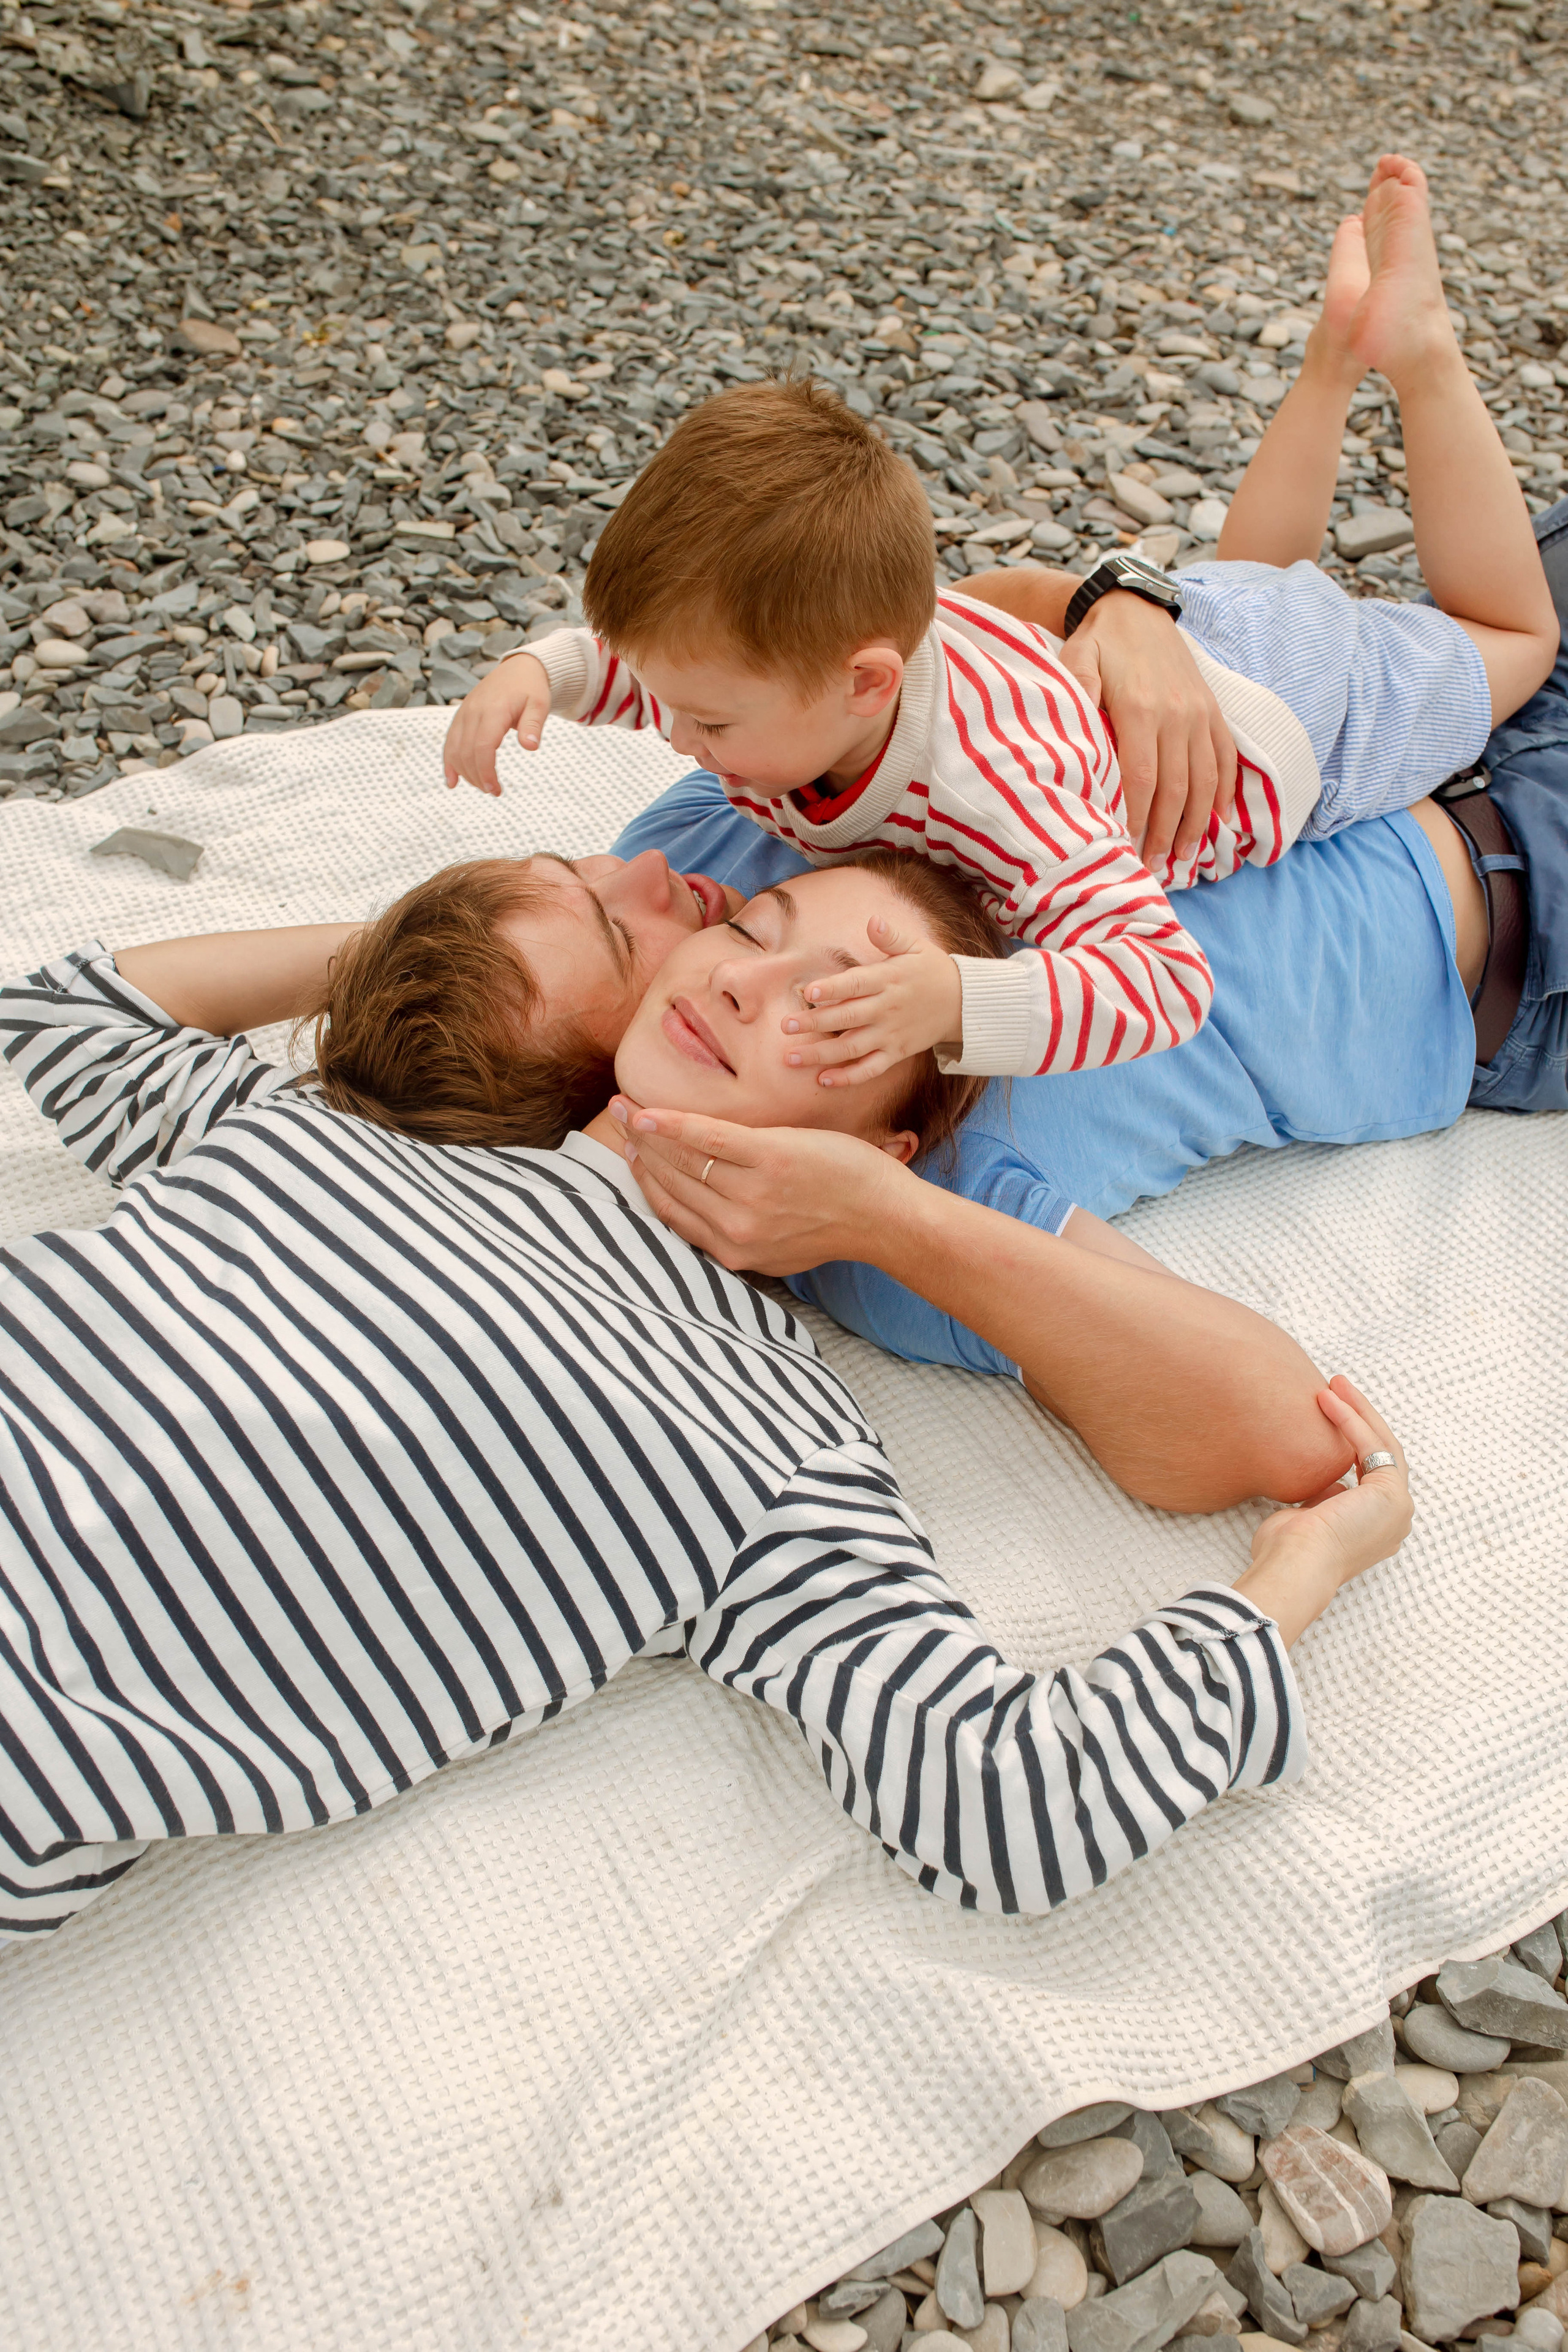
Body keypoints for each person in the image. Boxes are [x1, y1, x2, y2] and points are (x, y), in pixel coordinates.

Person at [0, 921, 1409, 1940]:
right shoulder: (377, 1123)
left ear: (884, 1145)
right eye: (742, 928)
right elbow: (64, 1011)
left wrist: (1293, 1578)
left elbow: (1001, 1799)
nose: (746, 977)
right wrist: (421, 937)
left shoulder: (772, 1440)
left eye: (840, 1008)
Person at [440, 156, 1556, 1100]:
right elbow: (652, 674)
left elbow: (1162, 980)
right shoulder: (811, 677)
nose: (678, 738)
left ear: (869, 685)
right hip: (1174, 639)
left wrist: (960, 1002)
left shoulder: (994, 789)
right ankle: (1332, 354)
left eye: (711, 723)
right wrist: (544, 670)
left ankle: (1418, 352)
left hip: (1291, 717)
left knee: (1511, 636)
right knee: (1249, 578)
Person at [608, 489, 1568, 1376]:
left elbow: (902, 639)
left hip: (1381, 707)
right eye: (613, 934)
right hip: (1534, 919)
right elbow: (1229, 1378)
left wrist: (1122, 602)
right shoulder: (891, 1221)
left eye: (572, 877)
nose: (637, 882)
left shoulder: (719, 807)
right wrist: (888, 1220)